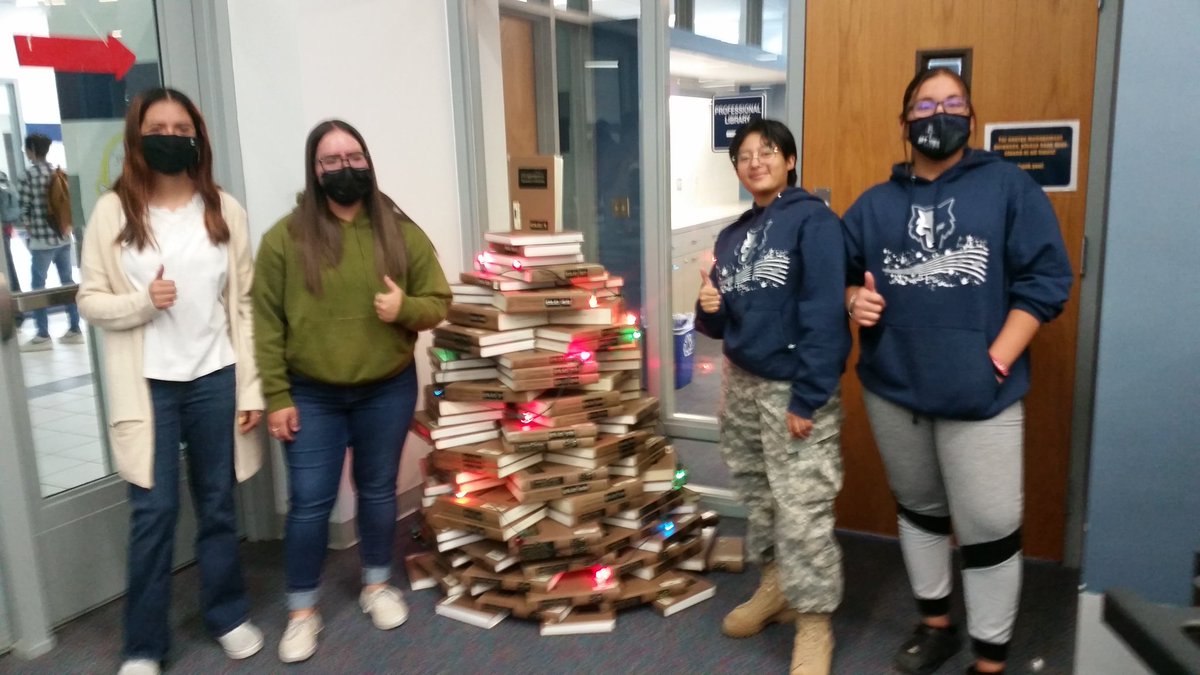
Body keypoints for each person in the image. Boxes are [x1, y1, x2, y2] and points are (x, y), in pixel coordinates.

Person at [842, 68, 1073, 675]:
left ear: (971, 119)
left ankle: (991, 660)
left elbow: (1046, 281)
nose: (937, 113)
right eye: (924, 103)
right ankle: (936, 626)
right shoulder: (874, 204)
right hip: (894, 390)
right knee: (919, 510)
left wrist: (997, 357)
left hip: (982, 393)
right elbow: (838, 273)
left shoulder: (1008, 188)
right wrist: (850, 300)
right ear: (905, 122)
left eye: (952, 103)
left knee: (990, 525)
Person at [76, 88, 266, 675]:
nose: (171, 135)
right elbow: (89, 300)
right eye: (158, 126)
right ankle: (144, 645)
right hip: (148, 385)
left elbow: (246, 304)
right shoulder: (114, 211)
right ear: (138, 136)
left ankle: (228, 615)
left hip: (214, 375)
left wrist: (252, 387)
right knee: (153, 513)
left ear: (197, 137)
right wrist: (141, 302)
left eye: (182, 126)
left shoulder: (224, 209)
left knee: (216, 504)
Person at [252, 119, 451, 663]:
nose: (344, 168)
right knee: (310, 504)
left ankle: (376, 585)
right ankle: (301, 612)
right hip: (309, 395)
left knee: (379, 489)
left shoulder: (399, 231)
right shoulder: (284, 239)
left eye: (353, 156)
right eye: (330, 160)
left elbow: (438, 299)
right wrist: (276, 396)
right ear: (314, 172)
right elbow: (265, 324)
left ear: (368, 162)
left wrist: (403, 309)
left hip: (384, 389)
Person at [695, 118, 850, 675]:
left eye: (767, 151)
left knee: (802, 505)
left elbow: (825, 315)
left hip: (792, 387)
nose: (754, 161)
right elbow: (719, 324)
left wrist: (808, 397)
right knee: (758, 496)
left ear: (789, 160)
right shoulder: (732, 236)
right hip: (741, 383)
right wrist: (708, 307)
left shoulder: (815, 222)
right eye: (744, 155)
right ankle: (775, 588)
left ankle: (814, 623)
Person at [19, 133, 82, 350]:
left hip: (42, 242)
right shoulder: (57, 171)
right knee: (67, 282)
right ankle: (75, 328)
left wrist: (28, 225)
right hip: (63, 237)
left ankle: (43, 334)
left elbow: (24, 208)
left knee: (38, 287)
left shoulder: (29, 175)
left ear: (32, 150)